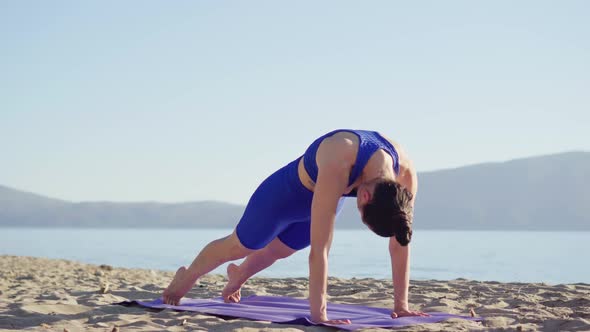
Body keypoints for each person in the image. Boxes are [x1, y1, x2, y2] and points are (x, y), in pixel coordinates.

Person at [162, 129, 428, 325]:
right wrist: (319, 315)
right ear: (366, 197)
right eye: (359, 210)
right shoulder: (340, 158)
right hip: (283, 198)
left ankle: (237, 276)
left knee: (279, 251)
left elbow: (401, 241)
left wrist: (401, 306)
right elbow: (320, 252)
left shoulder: (405, 177)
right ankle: (187, 276)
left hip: (321, 201)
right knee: (241, 245)